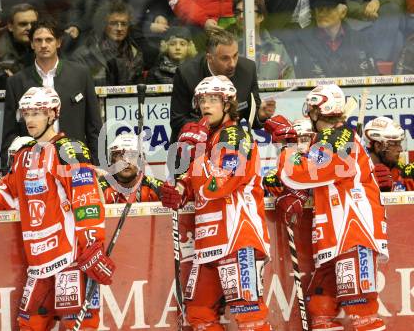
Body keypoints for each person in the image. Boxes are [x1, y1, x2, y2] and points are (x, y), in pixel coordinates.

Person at [0, 86, 115, 330]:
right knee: (29, 325)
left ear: (52, 114)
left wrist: (92, 245)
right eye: (26, 114)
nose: (30, 120)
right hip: (38, 265)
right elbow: (7, 189)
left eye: (37, 113)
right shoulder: (24, 156)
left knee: (78, 326)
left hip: (70, 260)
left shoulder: (69, 150)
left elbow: (87, 199)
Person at [269, 84, 388, 330]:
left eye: (310, 110)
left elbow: (302, 172)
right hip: (333, 237)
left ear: (315, 111)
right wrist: (296, 194)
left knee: (361, 308)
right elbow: (316, 178)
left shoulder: (339, 138)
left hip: (353, 233)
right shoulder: (328, 139)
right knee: (320, 307)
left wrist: (286, 145)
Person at [161, 76, 272, 330]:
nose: (205, 106)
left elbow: (220, 183)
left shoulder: (235, 135)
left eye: (213, 100)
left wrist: (196, 159)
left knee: (249, 315)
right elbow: (195, 182)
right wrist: (178, 189)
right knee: (198, 312)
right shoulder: (207, 138)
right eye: (201, 100)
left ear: (228, 104)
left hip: (237, 238)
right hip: (208, 241)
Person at [1, 18, 103, 171]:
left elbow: (94, 127)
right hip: (33, 167)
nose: (43, 45)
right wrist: (8, 172)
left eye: (49, 39)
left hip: (76, 163)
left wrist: (98, 167)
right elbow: (10, 135)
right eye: (38, 40)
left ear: (59, 42)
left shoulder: (81, 75)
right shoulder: (16, 82)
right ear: (32, 44)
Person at [170, 27, 274, 144]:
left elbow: (250, 116)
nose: (232, 64)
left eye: (235, 56)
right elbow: (177, 121)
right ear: (210, 58)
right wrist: (211, 122)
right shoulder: (187, 74)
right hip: (191, 146)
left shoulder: (248, 70)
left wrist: (260, 115)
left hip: (231, 143)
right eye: (225, 58)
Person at [292, 0, 377, 78]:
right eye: (319, 9)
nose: (322, 14)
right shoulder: (301, 43)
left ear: (343, 12)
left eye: (328, 9)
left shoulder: (360, 40)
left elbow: (371, 78)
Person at [71, 0, 144, 86]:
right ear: (104, 25)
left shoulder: (135, 55)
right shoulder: (85, 55)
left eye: (124, 24)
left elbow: (139, 93)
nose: (119, 28)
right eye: (113, 23)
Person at [334, 0, 405, 66]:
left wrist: (378, 0)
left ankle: (376, 64)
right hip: (356, 17)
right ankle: (379, 68)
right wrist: (366, 10)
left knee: (392, 9)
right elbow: (341, 0)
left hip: (385, 16)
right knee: (398, 39)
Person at [231, 0, 295, 80]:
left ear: (260, 17)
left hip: (273, 93)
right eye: (238, 12)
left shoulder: (276, 47)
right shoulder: (230, 47)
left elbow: (289, 80)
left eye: (247, 11)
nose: (241, 16)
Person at [99, 133, 164, 203]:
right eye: (121, 155)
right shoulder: (99, 188)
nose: (126, 161)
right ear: (113, 160)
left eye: (132, 155)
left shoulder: (157, 188)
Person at [0, 3, 38, 89]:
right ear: (10, 26)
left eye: (34, 24)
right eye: (23, 24)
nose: (29, 28)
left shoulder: (44, 46)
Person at [363, 116, 414, 191]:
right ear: (378, 146)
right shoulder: (358, 174)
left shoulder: (404, 173)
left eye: (399, 143)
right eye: (394, 144)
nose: (400, 149)